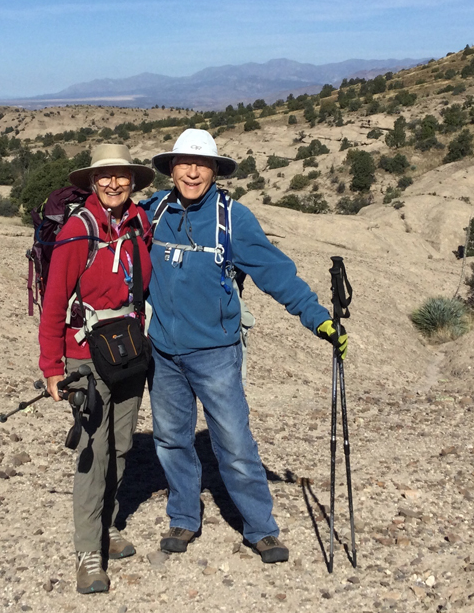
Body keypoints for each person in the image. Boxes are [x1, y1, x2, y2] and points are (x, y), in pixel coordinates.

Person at [139, 128, 348, 564]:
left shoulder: (233, 218)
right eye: (184, 163)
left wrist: (320, 321)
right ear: (171, 168)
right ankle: (183, 515)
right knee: (171, 440)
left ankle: (261, 528)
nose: (192, 172)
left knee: (233, 443)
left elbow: (277, 275)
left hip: (215, 353)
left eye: (202, 164)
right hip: (162, 352)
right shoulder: (155, 211)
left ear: (215, 170)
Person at [37, 144, 155, 594]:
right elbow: (53, 305)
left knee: (122, 444)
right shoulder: (77, 229)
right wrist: (51, 365)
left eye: (120, 176)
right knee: (94, 450)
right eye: (103, 176)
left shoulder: (139, 224)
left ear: (132, 181)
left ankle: (108, 522)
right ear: (91, 181)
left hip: (129, 351)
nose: (112, 183)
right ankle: (89, 550)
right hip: (85, 357)